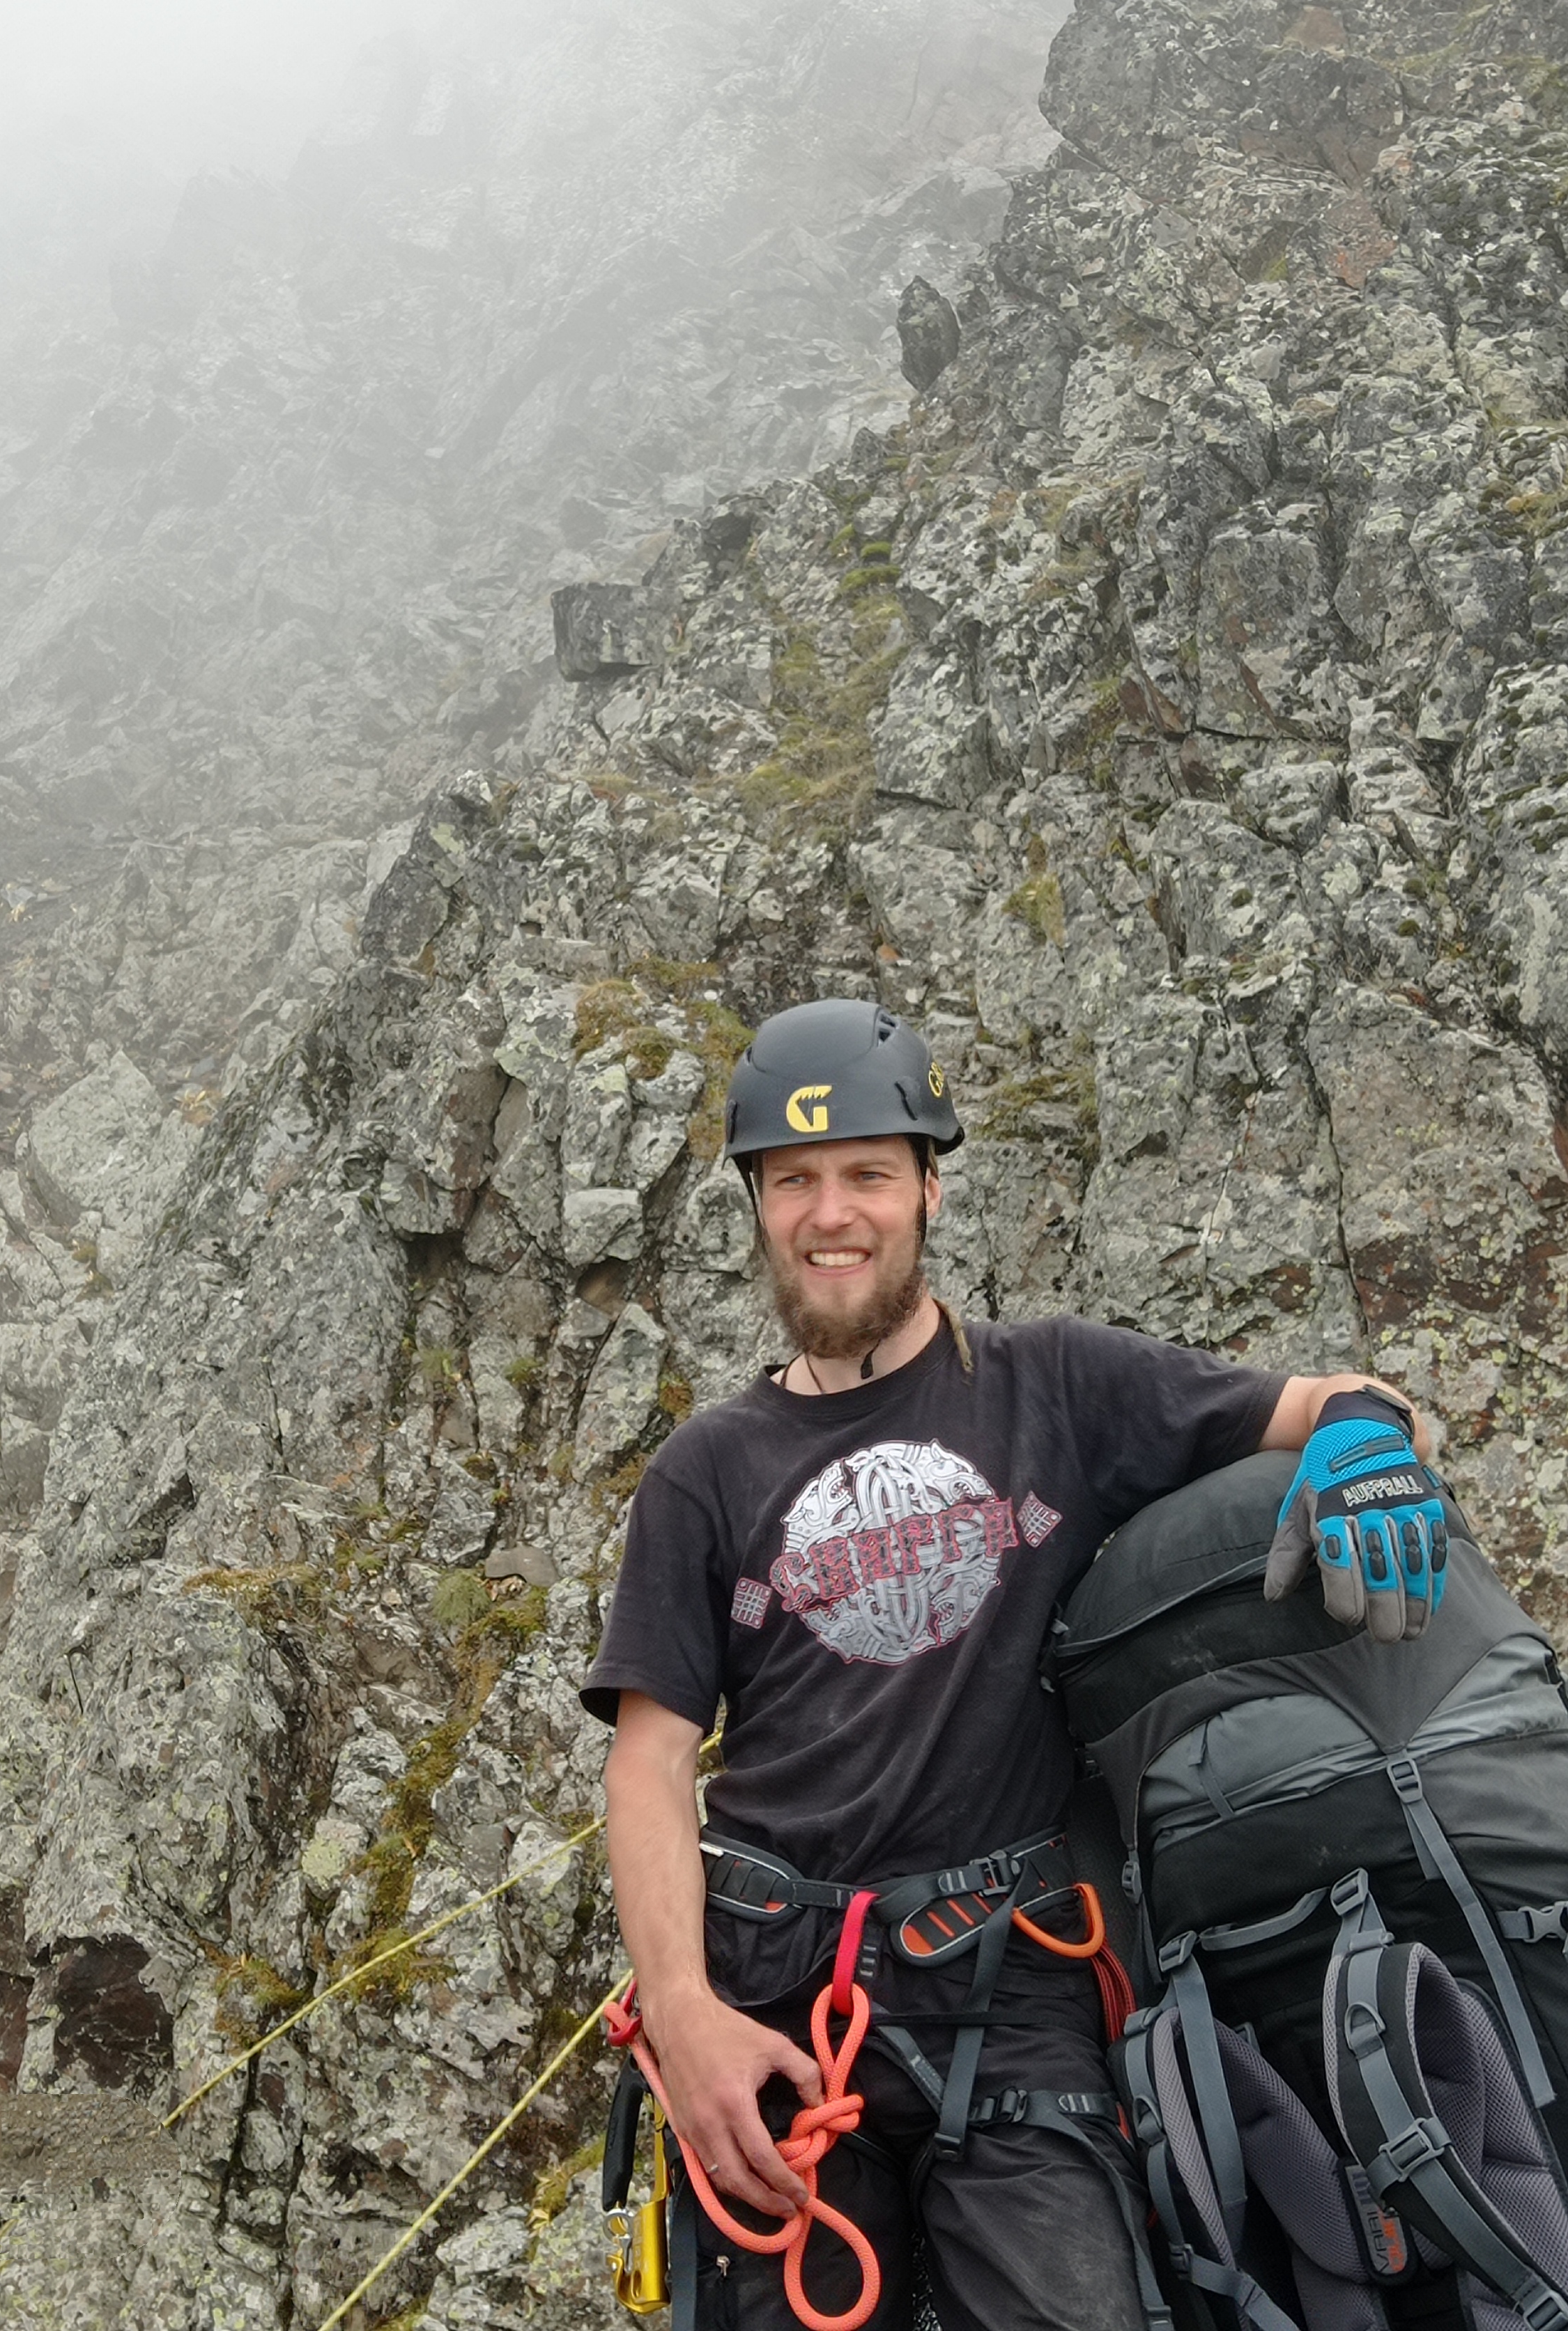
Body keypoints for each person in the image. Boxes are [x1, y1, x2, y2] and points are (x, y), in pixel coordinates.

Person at [582, 998, 1445, 2331]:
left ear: (928, 1188)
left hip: (1009, 1980)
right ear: (756, 1206)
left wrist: (1369, 1440)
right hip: (771, 1996)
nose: (831, 1215)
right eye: (794, 1181)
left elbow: (1336, 1402)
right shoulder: (704, 1473)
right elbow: (647, 1766)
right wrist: (684, 2016)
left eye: (868, 1174)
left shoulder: (1059, 1385)